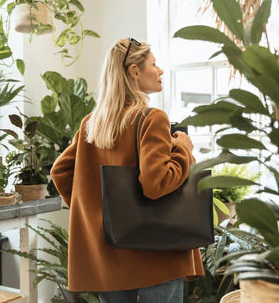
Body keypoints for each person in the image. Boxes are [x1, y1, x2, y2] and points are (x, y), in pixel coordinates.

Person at [51, 37, 203, 302]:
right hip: (156, 257)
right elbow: (156, 184)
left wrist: (98, 216)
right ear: (134, 71)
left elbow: (60, 173)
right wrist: (183, 150)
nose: (160, 71)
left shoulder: (93, 123)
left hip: (110, 261)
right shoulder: (151, 118)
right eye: (154, 64)